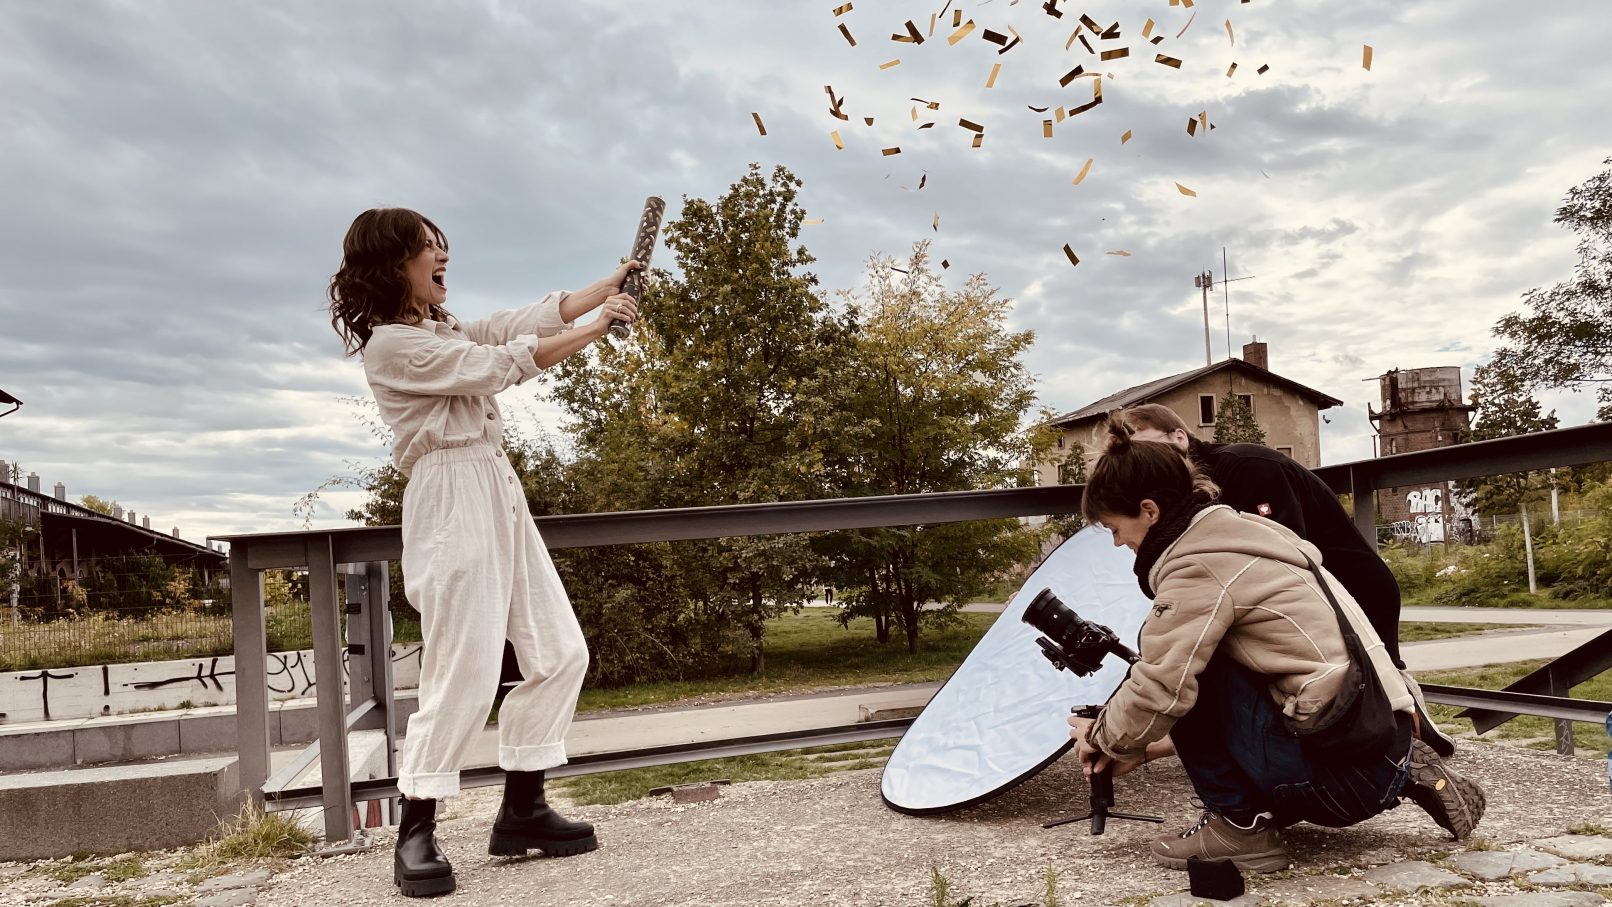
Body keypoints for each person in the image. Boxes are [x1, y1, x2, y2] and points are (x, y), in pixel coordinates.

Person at [328, 208, 640, 898]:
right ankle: (416, 828)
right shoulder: (392, 346)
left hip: (496, 483)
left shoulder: (439, 328)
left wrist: (603, 287)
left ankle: (523, 807)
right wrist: (598, 327)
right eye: (428, 250)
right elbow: (496, 365)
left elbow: (513, 324)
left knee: (560, 650)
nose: (443, 258)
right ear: (392, 265)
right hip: (448, 494)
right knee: (461, 670)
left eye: (443, 247)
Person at [1067, 419, 1485, 872]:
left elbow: (1161, 685)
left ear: (1149, 510)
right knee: (1198, 658)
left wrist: (1104, 738)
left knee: (1186, 667)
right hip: (1378, 739)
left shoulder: (1200, 564)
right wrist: (1134, 746)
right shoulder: (1245, 533)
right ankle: (1401, 769)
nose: (1117, 542)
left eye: (1114, 527)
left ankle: (1241, 828)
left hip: (1338, 780)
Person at [1114, 403, 1458, 758]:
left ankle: (1410, 745)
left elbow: (1281, 556)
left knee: (1370, 699)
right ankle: (1401, 742)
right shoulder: (1185, 494)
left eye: (1147, 448)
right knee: (1356, 698)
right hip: (1321, 594)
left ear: (1180, 437)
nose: (1140, 460)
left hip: (1353, 590)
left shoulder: (1246, 469)